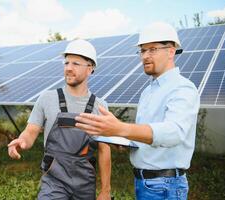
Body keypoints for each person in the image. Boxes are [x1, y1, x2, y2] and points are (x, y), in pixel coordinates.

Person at [75, 22, 200, 200]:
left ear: (171, 51)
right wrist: (125, 139)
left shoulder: (183, 88)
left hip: (165, 186)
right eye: (142, 50)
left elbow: (174, 132)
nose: (145, 56)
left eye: (152, 49)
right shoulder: (148, 91)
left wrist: (121, 129)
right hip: (144, 183)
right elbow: (147, 134)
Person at [8, 39, 111, 200]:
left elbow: (104, 150)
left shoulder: (100, 106)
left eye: (76, 63)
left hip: (85, 183)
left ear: (90, 68)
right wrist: (22, 142)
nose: (69, 68)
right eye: (66, 63)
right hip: (54, 180)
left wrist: (105, 191)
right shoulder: (47, 98)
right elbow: (31, 131)